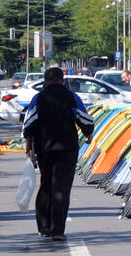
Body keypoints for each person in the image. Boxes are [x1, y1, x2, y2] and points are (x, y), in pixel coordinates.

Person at [23, 67, 95, 241]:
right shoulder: (72, 97)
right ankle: (57, 230)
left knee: (46, 185)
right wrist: (88, 134)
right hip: (67, 149)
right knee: (61, 188)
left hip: (44, 149)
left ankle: (44, 227)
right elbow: (85, 120)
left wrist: (28, 149)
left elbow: (29, 124)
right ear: (62, 81)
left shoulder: (38, 98)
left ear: (45, 81)